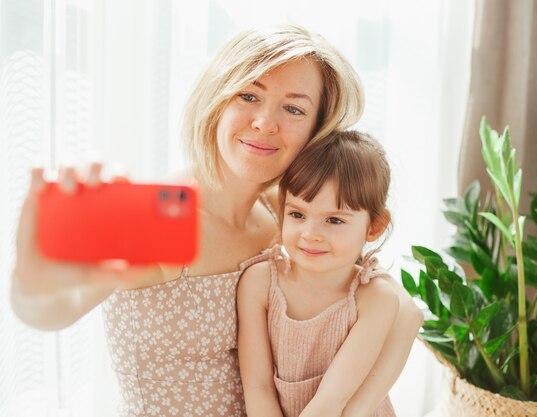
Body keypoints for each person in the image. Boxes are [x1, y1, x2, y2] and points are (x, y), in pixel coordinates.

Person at [11, 24, 422, 417]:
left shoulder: (290, 221)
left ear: (317, 130)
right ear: (218, 99)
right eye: (248, 96)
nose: (264, 122)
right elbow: (55, 308)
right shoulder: (163, 213)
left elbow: (399, 309)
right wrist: (30, 285)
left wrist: (353, 407)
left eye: (293, 108)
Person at [238, 130, 417, 417]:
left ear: (374, 227)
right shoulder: (259, 282)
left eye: (334, 220)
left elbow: (331, 400)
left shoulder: (375, 299)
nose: (310, 234)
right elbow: (257, 387)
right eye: (297, 214)